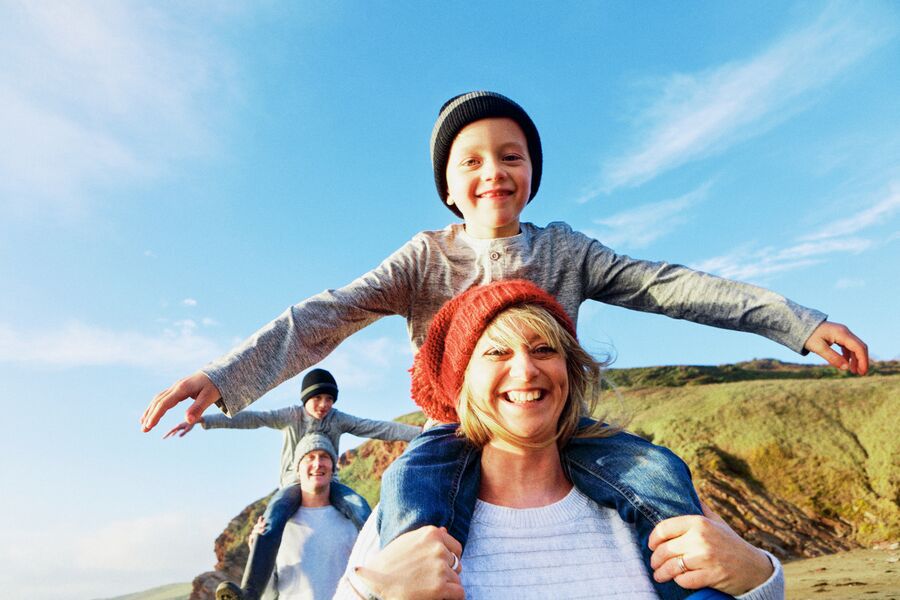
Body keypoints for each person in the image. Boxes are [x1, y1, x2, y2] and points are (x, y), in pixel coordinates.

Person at [141, 91, 867, 436]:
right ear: (450, 188)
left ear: (532, 173)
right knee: (404, 521)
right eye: (472, 161)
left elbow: (670, 286)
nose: (494, 170)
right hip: (454, 434)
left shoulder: (565, 252)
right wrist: (223, 375)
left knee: (660, 481)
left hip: (559, 430)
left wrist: (797, 324)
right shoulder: (425, 259)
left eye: (511, 156)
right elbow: (324, 316)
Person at [335, 280, 784, 600]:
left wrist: (760, 579)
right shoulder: (400, 522)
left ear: (569, 371)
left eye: (544, 349)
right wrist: (372, 595)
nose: (526, 370)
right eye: (496, 352)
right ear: (462, 384)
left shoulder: (649, 501)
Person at [168, 368, 420, 600]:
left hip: (329, 482)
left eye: (330, 399)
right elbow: (254, 419)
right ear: (305, 398)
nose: (324, 405)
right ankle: (249, 593)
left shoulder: (338, 419)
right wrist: (205, 421)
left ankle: (389, 576)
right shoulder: (291, 416)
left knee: (361, 509)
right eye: (318, 398)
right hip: (292, 485)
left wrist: (422, 433)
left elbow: (376, 428)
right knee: (271, 521)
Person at [218, 433, 363, 600]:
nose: (317, 463)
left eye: (324, 457)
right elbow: (270, 593)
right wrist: (256, 549)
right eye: (310, 457)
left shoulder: (351, 524)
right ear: (298, 470)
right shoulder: (277, 526)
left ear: (332, 468)